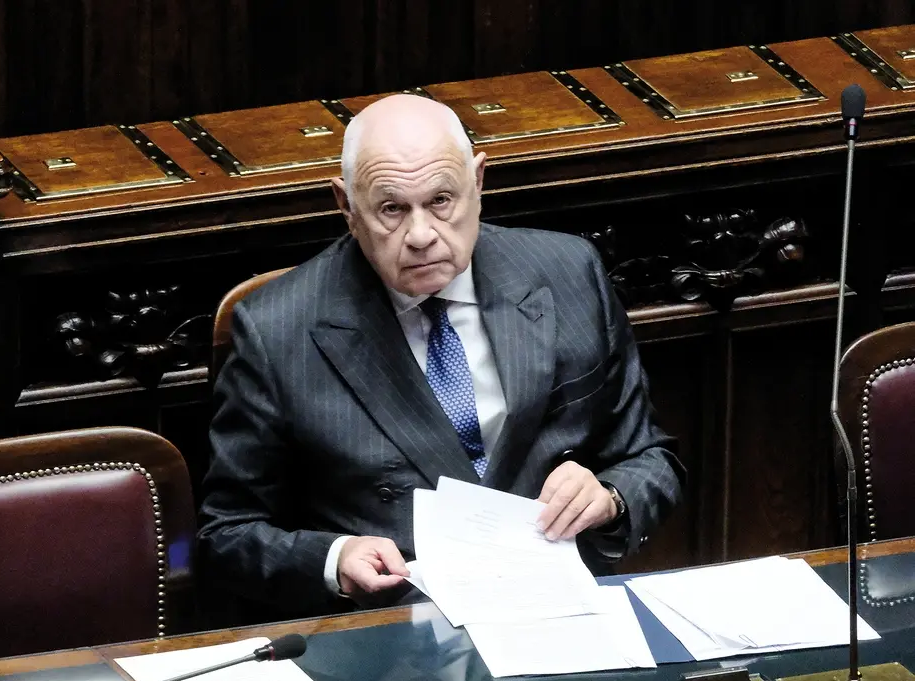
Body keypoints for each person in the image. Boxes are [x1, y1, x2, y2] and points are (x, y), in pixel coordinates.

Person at [197, 93, 683, 621]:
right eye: (391, 209)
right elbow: (227, 534)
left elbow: (652, 460)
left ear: (478, 183)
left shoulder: (569, 272)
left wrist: (610, 496)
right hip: (396, 631)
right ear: (345, 206)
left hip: (560, 611)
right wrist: (334, 559)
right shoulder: (277, 329)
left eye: (442, 200)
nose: (422, 235)